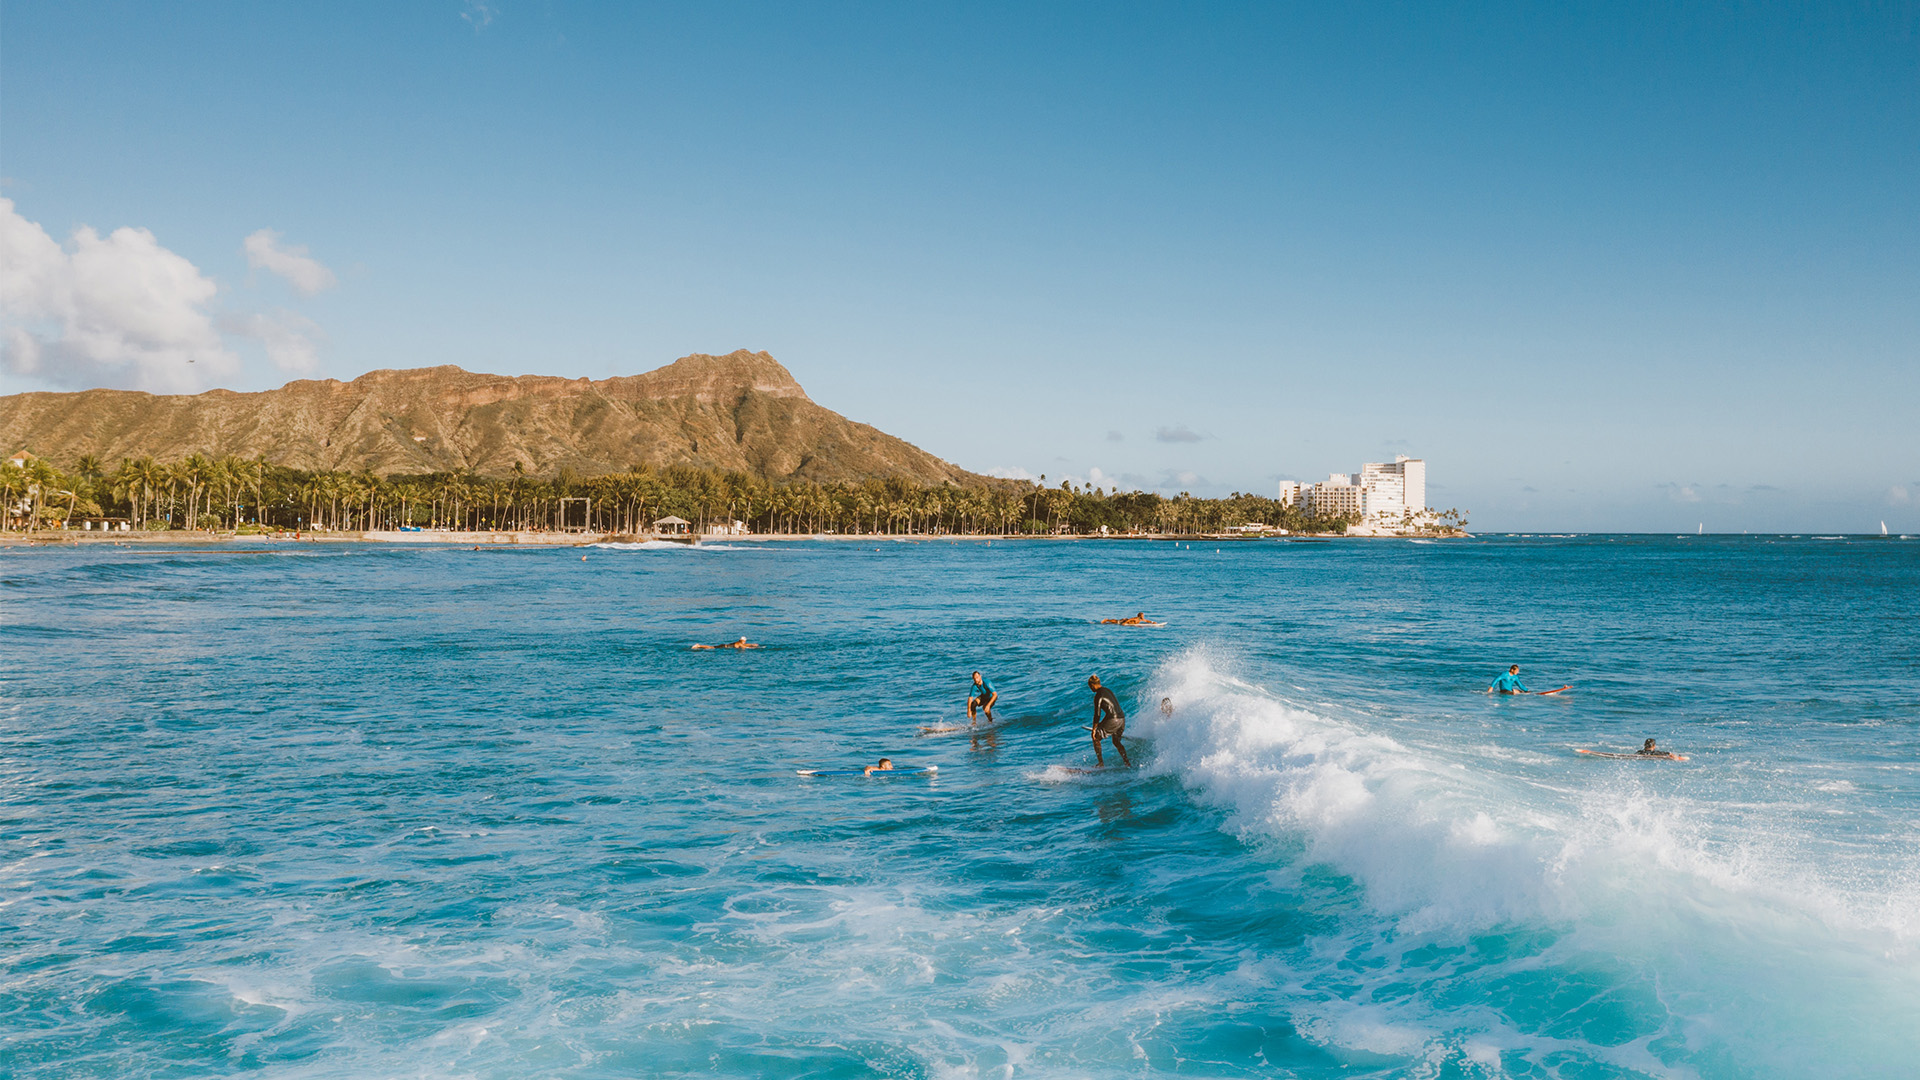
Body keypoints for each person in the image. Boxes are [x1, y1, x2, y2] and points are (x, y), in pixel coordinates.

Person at [1087, 675, 1131, 767]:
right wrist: (1101, 724)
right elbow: (1112, 709)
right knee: (1116, 741)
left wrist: (1094, 729)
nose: (1090, 689)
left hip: (1113, 720)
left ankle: (1101, 763)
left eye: (1090, 687)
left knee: (1096, 737)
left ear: (1092, 685)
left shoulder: (1098, 695)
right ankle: (1127, 762)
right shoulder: (1108, 690)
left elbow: (1097, 714)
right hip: (1122, 719)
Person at [692, 637, 761, 650]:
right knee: (711, 647)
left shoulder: (739, 643)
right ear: (742, 640)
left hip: (724, 646)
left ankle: (699, 646)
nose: (745, 642)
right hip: (723, 647)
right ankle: (699, 646)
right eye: (744, 641)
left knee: (712, 647)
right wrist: (754, 647)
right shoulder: (740, 644)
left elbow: (745, 645)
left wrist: (752, 644)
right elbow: (744, 647)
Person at [1100, 612, 1164, 626]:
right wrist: (1124, 623)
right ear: (1139, 616)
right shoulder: (1136, 618)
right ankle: (1107, 619)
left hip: (1127, 621)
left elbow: (1147, 621)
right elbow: (1130, 619)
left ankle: (1107, 620)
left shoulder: (1141, 619)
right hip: (1125, 621)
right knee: (1116, 621)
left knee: (1116, 621)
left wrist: (1152, 622)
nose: (1143, 616)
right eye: (1142, 615)